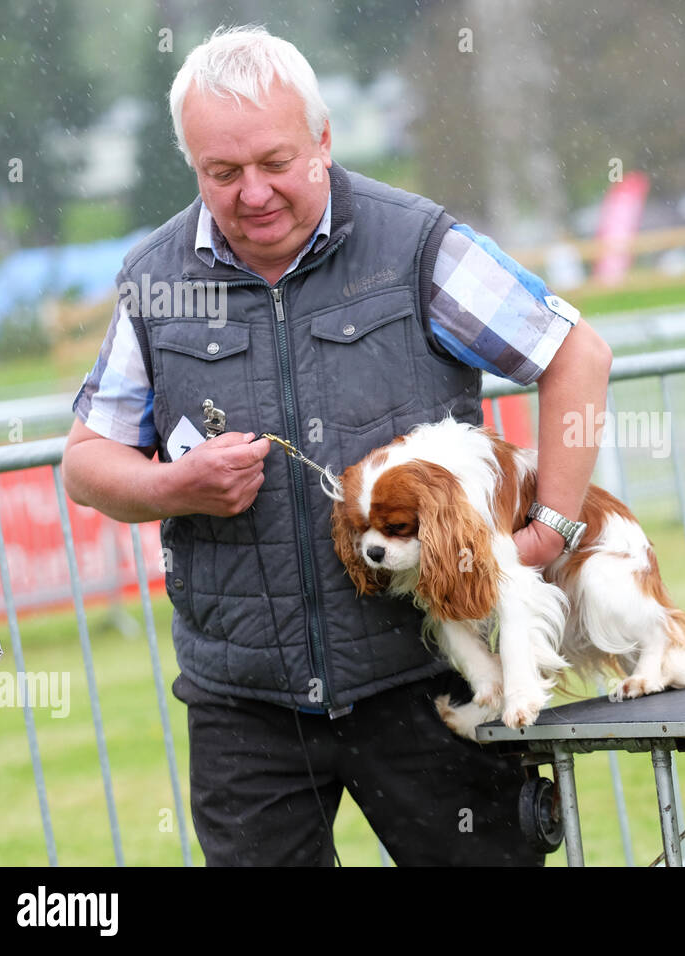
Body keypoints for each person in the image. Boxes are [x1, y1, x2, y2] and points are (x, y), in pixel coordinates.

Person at [61, 25, 611, 866]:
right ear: (193, 165)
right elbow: (86, 463)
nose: (253, 193)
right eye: (222, 172)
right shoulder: (156, 280)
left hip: (431, 678)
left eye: (275, 162)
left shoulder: (416, 245)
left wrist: (553, 530)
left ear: (323, 139)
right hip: (245, 705)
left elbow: (576, 355)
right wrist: (177, 488)